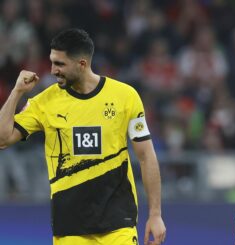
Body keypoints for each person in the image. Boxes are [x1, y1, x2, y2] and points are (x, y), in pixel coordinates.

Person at [0, 28, 166, 245]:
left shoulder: (125, 97)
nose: (52, 70)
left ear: (82, 64)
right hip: (70, 228)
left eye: (60, 64)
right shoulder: (45, 102)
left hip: (118, 224)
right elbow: (3, 139)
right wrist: (17, 92)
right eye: (52, 62)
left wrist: (155, 214)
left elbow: (146, 156)